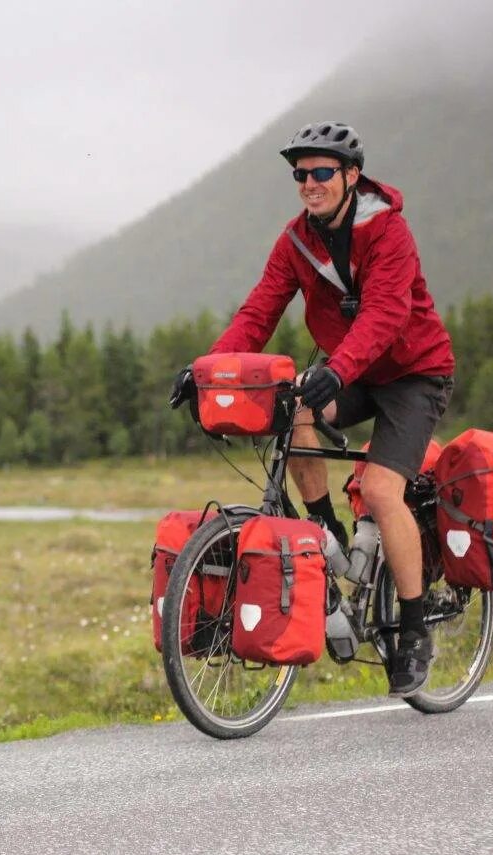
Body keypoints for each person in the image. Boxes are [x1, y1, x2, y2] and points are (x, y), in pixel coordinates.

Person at [168, 121, 455, 697]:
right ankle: (323, 524)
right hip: (347, 370)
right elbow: (258, 313)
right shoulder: (296, 241)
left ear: (351, 176)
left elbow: (385, 315)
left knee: (379, 490)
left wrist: (338, 370)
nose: (309, 183)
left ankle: (417, 625)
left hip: (412, 375)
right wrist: (209, 370)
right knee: (288, 409)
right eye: (300, 174)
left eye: (322, 172)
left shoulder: (388, 232)